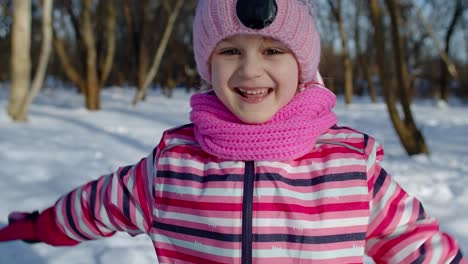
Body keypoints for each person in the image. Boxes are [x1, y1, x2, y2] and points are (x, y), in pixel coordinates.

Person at [0, 0, 465, 263]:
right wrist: (38, 226)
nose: (250, 70)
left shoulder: (349, 168)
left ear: (303, 65)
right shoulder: (173, 167)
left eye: (272, 51)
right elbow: (96, 206)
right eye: (230, 51)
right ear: (208, 62)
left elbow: (419, 247)